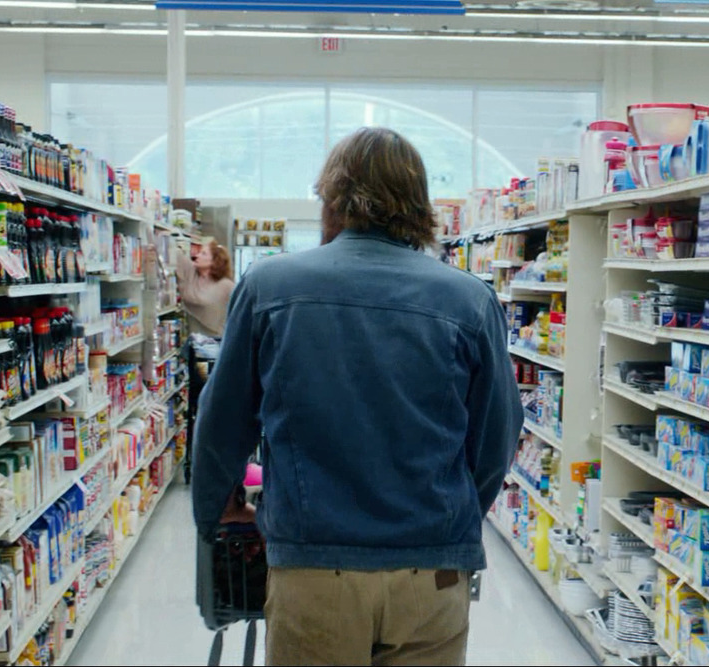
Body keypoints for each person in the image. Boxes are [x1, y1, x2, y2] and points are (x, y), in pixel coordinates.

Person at [191, 127, 522, 667]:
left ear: (332, 197)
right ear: (420, 205)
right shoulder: (469, 300)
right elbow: (495, 440)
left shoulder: (270, 286)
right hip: (430, 575)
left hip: (313, 568)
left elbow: (222, 423)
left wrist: (216, 513)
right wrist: (451, 522)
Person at [178, 239, 235, 337]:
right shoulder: (191, 273)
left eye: (203, 254)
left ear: (214, 261)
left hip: (216, 341)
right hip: (193, 342)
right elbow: (175, 254)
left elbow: (242, 311)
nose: (197, 256)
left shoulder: (226, 286)